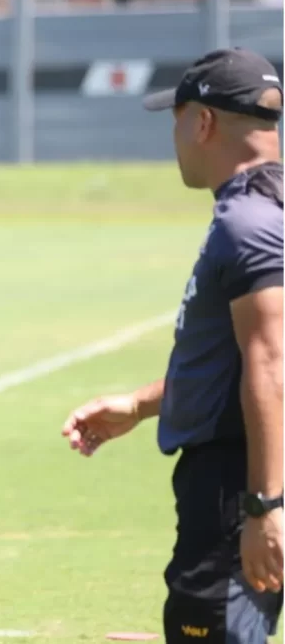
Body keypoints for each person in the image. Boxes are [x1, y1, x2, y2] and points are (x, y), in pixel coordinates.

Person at [61, 48, 284, 643]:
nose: (175, 136)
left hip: (237, 484)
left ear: (204, 122)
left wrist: (264, 506)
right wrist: (140, 404)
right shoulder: (265, 210)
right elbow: (241, 358)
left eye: (177, 118)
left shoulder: (249, 224)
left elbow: (269, 364)